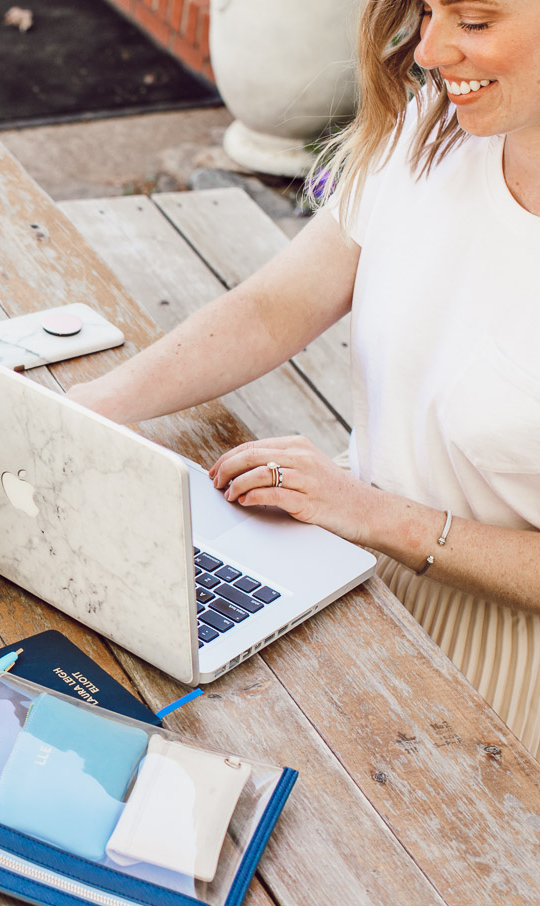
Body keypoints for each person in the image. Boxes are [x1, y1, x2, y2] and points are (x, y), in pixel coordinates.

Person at [67, 0, 540, 753]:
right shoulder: (432, 128)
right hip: (349, 560)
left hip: (506, 670)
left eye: (475, 22)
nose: (427, 50)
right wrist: (86, 406)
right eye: (427, 10)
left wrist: (371, 513)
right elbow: (273, 308)